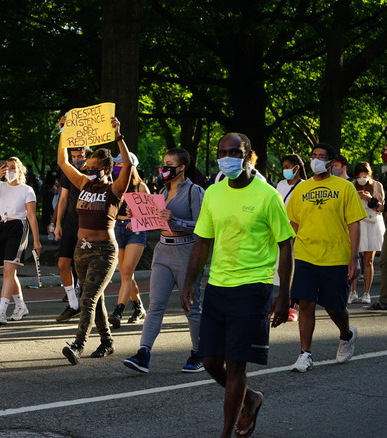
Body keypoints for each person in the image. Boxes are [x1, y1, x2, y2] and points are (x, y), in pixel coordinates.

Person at [181, 133, 295, 438]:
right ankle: (252, 398)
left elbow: (286, 245)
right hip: (218, 286)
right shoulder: (213, 193)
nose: (227, 157)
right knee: (209, 361)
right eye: (222, 152)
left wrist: (284, 295)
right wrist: (189, 282)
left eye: (234, 152)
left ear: (249, 156)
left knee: (235, 367)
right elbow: (203, 240)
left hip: (253, 288)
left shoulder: (267, 195)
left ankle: (226, 433)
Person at [123, 147, 206, 373]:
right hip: (162, 252)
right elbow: (155, 221)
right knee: (155, 304)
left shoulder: (195, 191)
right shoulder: (161, 190)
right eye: (164, 163)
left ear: (182, 167)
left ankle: (198, 354)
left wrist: (176, 220)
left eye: (170, 165)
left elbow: (203, 228)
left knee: (191, 305)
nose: (165, 168)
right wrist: (137, 219)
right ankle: (143, 353)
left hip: (186, 252)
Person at [57, 116, 132, 365]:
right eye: (86, 168)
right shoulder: (82, 183)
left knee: (87, 299)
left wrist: (118, 135)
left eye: (93, 168)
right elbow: (63, 161)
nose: (88, 172)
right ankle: (107, 342)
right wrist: (64, 134)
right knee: (95, 298)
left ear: (107, 169)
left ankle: (77, 345)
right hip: (82, 250)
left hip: (104, 251)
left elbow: (129, 166)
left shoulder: (114, 189)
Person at [285, 144, 365, 373]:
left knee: (334, 306)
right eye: (313, 156)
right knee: (306, 303)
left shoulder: (344, 188)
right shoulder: (301, 189)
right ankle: (305, 354)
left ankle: (347, 334)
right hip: (306, 255)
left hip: (336, 256)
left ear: (331, 162)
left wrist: (354, 257)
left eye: (321, 157)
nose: (316, 160)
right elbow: (293, 224)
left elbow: (354, 223)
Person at [0, 156, 42, 325]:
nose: (9, 170)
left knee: (8, 270)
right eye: (7, 167)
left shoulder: (27, 190)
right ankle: (21, 306)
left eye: (13, 167)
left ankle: (1, 311)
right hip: (1, 227)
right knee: (8, 270)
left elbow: (32, 217)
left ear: (20, 170)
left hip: (17, 227)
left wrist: (36, 241)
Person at [108, 157, 148, 328]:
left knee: (126, 270)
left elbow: (152, 215)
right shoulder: (114, 185)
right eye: (116, 164)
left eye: (121, 164)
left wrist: (138, 215)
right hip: (117, 228)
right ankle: (138, 307)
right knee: (126, 274)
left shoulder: (141, 187)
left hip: (135, 231)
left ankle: (118, 310)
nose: (118, 167)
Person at [53, 146, 90, 322]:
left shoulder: (94, 172)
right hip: (70, 225)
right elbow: (63, 199)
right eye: (73, 156)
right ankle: (73, 302)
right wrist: (58, 223)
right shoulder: (68, 172)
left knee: (83, 266)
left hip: (89, 226)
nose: (76, 159)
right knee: (63, 263)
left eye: (80, 155)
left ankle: (85, 301)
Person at [275, 154, 307, 322]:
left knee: (294, 268)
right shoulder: (280, 185)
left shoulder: (305, 186)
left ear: (297, 167)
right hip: (281, 230)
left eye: (288, 166)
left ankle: (294, 304)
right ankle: (282, 301)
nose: (285, 170)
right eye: (284, 166)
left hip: (298, 231)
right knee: (281, 268)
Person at [348, 162, 384, 304]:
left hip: (372, 223)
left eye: (365, 176)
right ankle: (353, 291)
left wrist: (370, 198)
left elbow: (381, 207)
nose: (362, 179)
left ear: (369, 174)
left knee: (368, 260)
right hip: (357, 222)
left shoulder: (377, 185)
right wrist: (355, 197)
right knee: (354, 257)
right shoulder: (351, 185)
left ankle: (366, 293)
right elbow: (346, 206)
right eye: (359, 176)